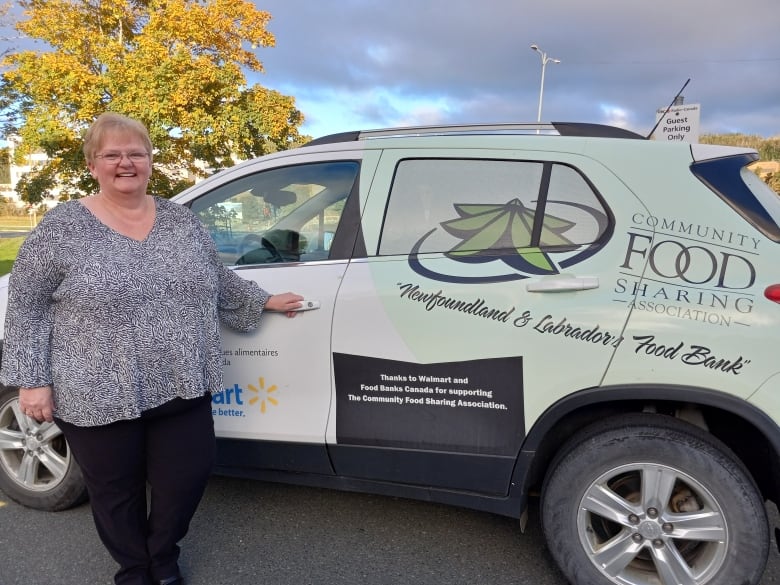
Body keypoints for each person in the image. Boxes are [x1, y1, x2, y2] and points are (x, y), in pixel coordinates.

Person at [0, 112, 303, 585]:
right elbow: (26, 306)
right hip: (97, 388)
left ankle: (163, 555)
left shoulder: (181, 221)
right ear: (92, 164)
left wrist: (262, 300)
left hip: (182, 379)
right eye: (112, 155)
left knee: (185, 479)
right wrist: (32, 381)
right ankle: (136, 570)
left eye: (136, 153)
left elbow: (215, 277)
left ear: (150, 161)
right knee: (115, 491)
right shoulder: (60, 228)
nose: (126, 163)